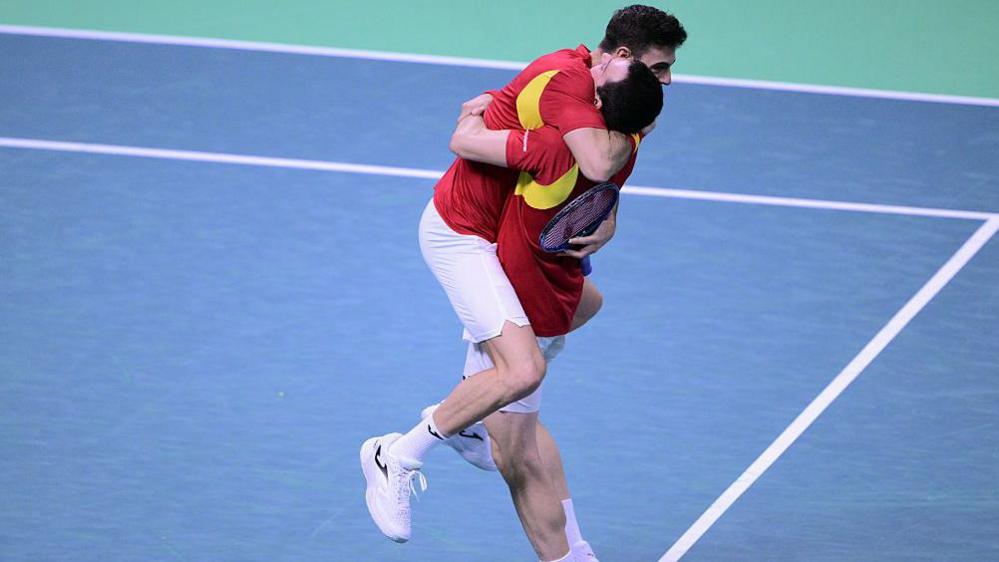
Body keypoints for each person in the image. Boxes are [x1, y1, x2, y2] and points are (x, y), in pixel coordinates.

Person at [361, 6, 686, 561]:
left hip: (515, 247)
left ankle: (472, 414)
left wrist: (607, 215)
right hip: (464, 235)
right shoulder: (570, 92)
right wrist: (469, 125)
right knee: (523, 382)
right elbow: (590, 161)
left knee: (583, 309)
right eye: (659, 69)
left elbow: (607, 175)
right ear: (621, 60)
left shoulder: (628, 110)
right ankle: (397, 453)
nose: (668, 82)